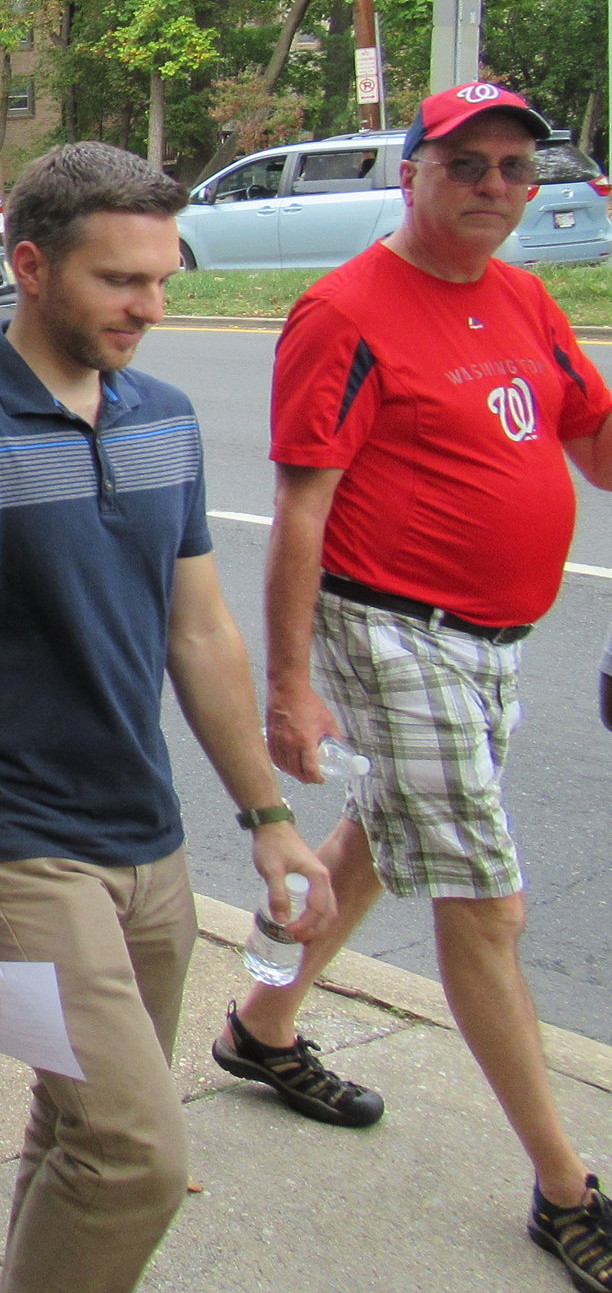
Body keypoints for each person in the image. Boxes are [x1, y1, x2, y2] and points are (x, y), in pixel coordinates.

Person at [0, 143, 329, 1293]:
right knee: (135, 1155)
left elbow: (200, 634)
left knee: (76, 1129)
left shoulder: (162, 419)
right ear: (30, 266)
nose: (151, 306)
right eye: (120, 280)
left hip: (150, 840)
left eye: (163, 277)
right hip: (25, 847)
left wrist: (267, 815)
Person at [222, 82, 612, 1287]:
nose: (494, 186)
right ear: (412, 172)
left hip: (494, 637)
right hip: (392, 631)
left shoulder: (528, 297)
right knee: (485, 903)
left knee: (387, 838)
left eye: (514, 168)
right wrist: (288, 687)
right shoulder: (342, 312)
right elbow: (300, 510)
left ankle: (261, 1027)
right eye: (467, 164)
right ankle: (563, 1191)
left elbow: (589, 440)